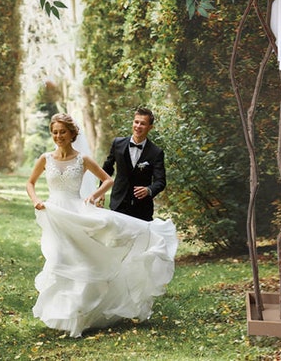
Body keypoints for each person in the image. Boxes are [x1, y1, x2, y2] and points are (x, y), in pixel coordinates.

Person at [26, 113, 178, 338]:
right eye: (54, 132)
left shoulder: (82, 159)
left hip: (76, 212)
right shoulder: (45, 158)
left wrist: (94, 195)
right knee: (58, 259)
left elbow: (108, 179)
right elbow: (30, 182)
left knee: (80, 261)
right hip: (55, 214)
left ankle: (80, 316)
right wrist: (36, 200)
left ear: (71, 134)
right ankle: (61, 314)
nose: (58, 136)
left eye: (62, 132)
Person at [102, 107, 166, 221]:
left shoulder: (156, 152)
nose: (138, 126)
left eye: (143, 123)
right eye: (136, 122)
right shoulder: (118, 144)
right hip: (118, 203)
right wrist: (101, 191)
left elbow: (160, 181)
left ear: (150, 127)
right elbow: (107, 169)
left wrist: (149, 190)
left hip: (142, 208)